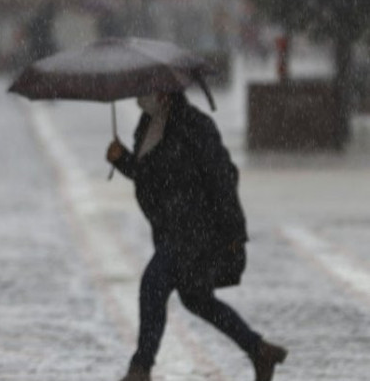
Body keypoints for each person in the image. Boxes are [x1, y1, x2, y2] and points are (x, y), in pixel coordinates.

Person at [106, 92, 287, 381]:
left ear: (165, 91)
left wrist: (234, 232)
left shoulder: (195, 125)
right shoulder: (147, 124)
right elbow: (150, 177)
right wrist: (123, 160)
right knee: (196, 298)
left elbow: (222, 177)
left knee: (153, 285)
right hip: (170, 228)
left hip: (196, 228)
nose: (142, 97)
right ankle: (260, 350)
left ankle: (140, 368)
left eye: (148, 89)